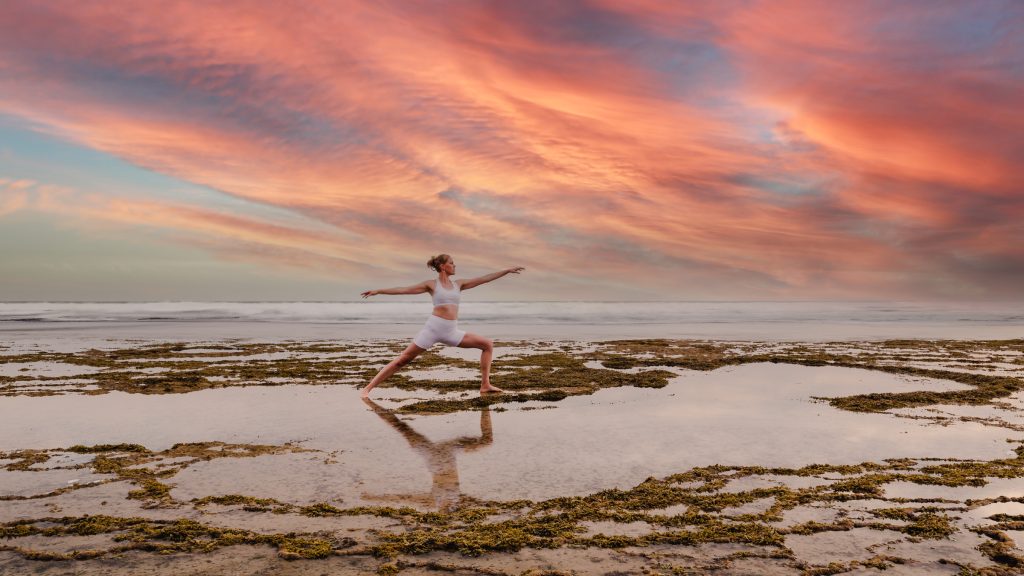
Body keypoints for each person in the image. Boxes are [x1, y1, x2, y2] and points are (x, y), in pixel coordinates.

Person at [360, 254, 524, 398]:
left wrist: (506, 270)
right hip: (432, 330)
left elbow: (484, 278)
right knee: (401, 361)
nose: (454, 266)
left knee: (487, 344)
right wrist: (379, 291)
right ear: (442, 266)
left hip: (451, 331)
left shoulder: (459, 284)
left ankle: (485, 385)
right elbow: (403, 290)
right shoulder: (431, 285)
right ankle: (367, 389)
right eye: (451, 263)